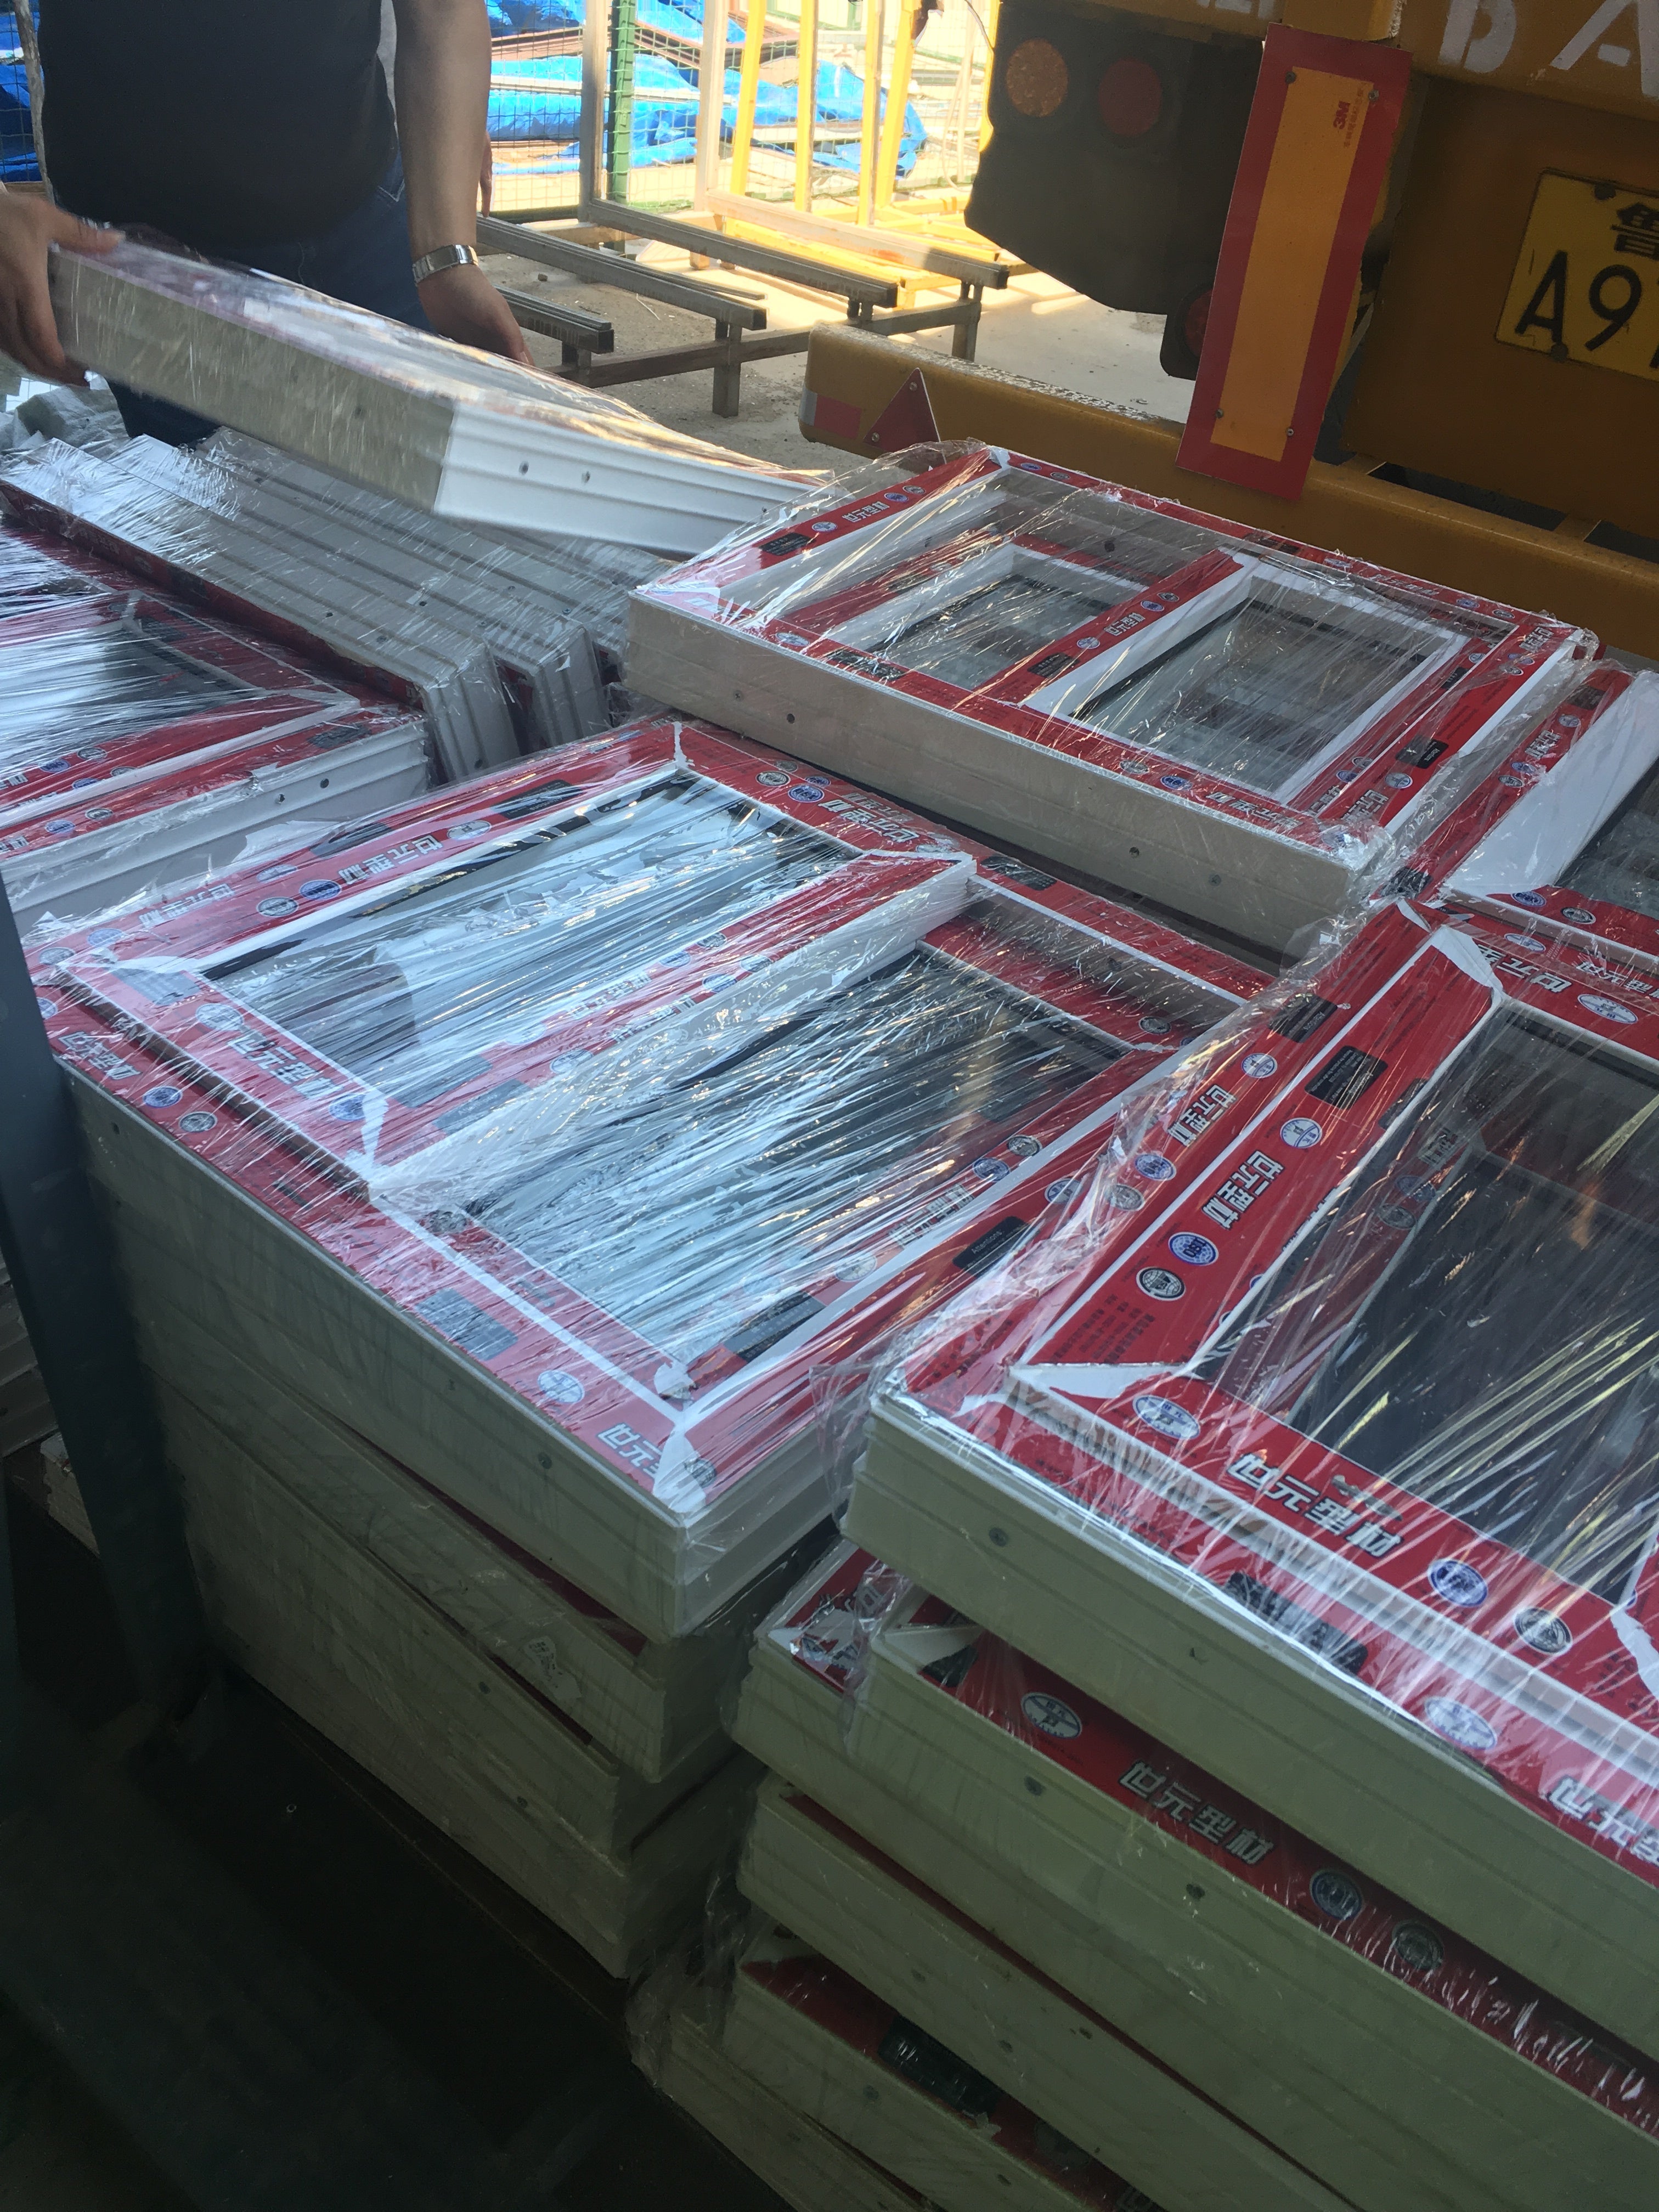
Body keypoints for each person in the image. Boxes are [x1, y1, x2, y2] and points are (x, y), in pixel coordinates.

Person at [0, 0, 530, 441]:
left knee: (426, 483)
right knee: (214, 515)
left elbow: (441, 10)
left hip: (365, 223)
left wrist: (446, 256)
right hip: (143, 258)